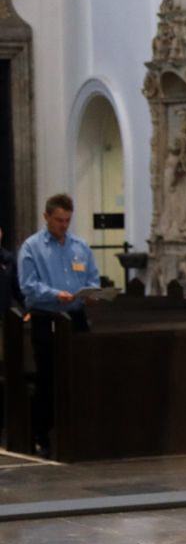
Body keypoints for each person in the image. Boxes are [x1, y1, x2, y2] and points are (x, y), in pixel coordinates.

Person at [17, 194, 99, 457]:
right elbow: (28, 286)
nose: (63, 225)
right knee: (48, 377)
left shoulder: (80, 246)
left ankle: (81, 431)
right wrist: (55, 294)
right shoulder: (31, 247)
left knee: (81, 374)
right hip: (46, 318)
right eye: (58, 220)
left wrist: (92, 294)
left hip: (76, 317)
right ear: (46, 217)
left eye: (67, 220)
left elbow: (92, 278)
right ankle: (43, 435)